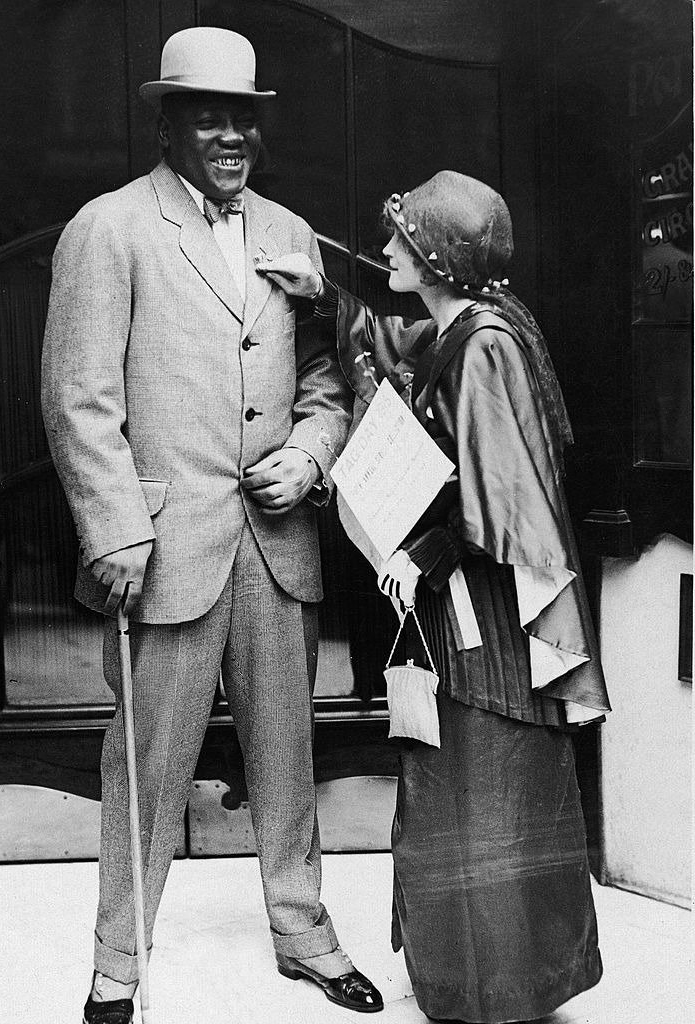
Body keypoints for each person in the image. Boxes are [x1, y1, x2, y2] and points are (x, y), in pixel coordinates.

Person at [41, 27, 382, 1024]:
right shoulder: (109, 228)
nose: (232, 133)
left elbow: (329, 386)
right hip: (161, 551)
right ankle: (118, 962)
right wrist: (114, 531)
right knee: (144, 765)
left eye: (244, 116)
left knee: (289, 753)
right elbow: (78, 398)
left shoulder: (288, 231)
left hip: (277, 550)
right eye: (210, 115)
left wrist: (309, 456)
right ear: (169, 121)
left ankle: (302, 929)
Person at [259, 170, 612, 1023]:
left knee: (479, 771)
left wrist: (420, 554)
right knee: (464, 769)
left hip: (483, 611)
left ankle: (496, 987)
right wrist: (325, 293)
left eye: (403, 242)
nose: (387, 252)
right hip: (467, 597)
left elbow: (498, 494)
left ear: (439, 260)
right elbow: (393, 339)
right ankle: (487, 977)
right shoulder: (471, 324)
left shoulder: (484, 344)